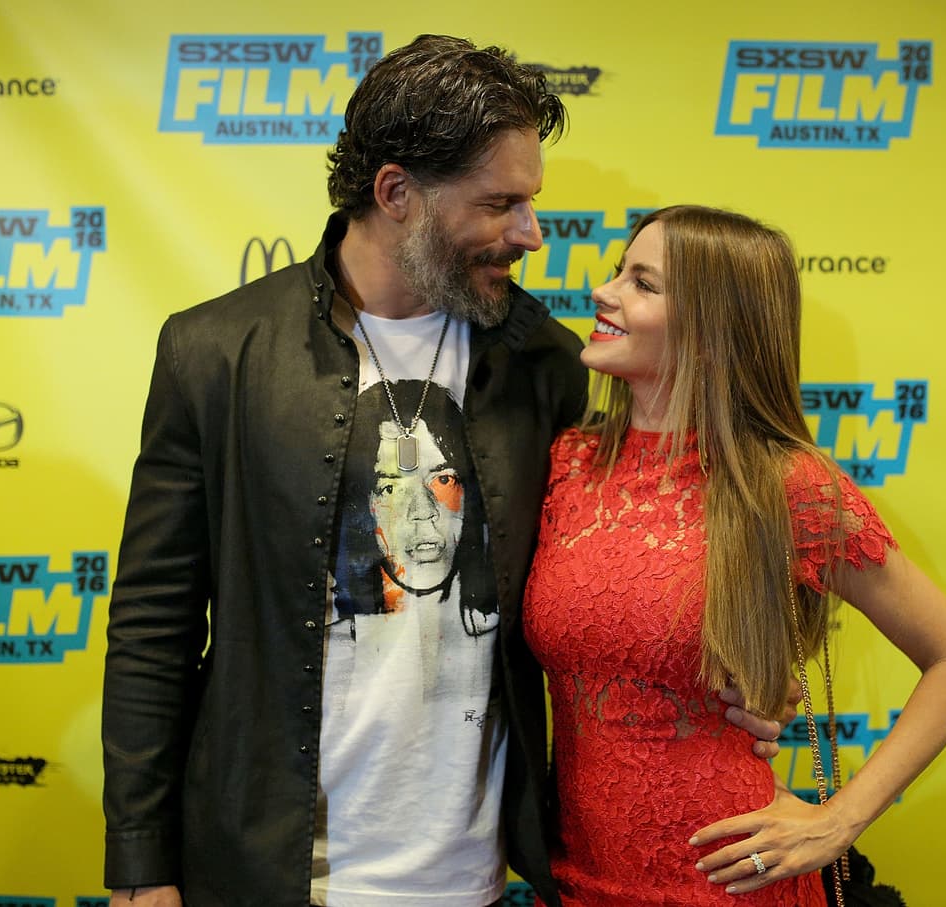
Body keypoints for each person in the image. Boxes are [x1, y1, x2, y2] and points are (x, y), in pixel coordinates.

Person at [102, 37, 785, 907]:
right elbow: (153, 626)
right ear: (396, 194)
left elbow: (634, 568)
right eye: (500, 204)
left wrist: (743, 677)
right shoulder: (215, 352)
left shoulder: (550, 363)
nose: (530, 235)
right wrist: (140, 863)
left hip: (477, 879)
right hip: (261, 871)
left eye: (530, 203)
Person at [523, 205, 946, 905]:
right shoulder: (568, 463)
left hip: (731, 881)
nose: (605, 292)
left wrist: (839, 819)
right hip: (575, 879)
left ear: (714, 332)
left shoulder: (787, 484)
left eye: (643, 283)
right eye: (620, 271)